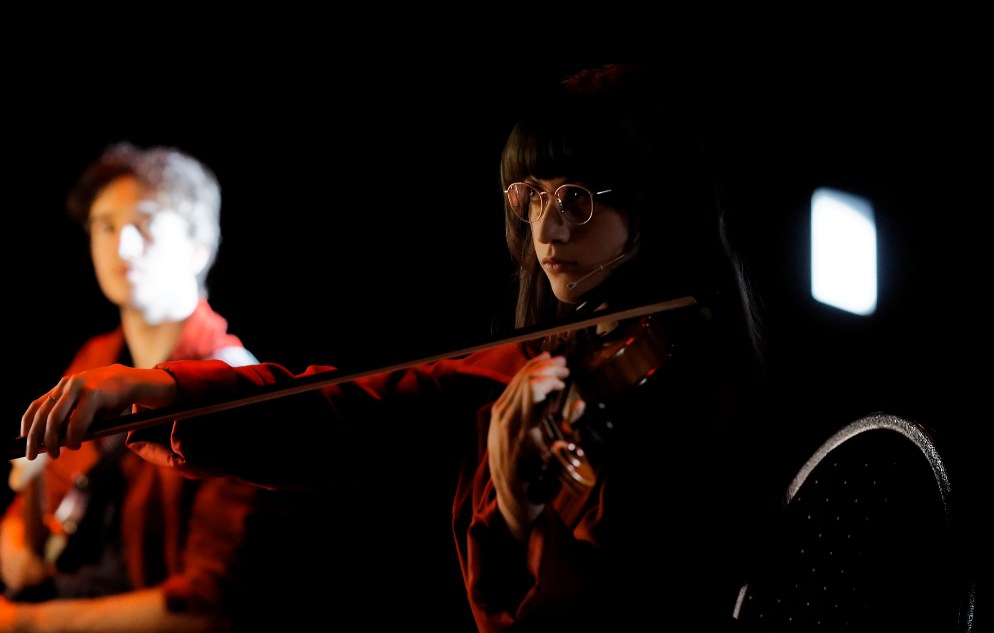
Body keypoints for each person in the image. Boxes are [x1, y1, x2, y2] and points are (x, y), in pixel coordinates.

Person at [19, 65, 782, 631]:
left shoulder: (688, 395)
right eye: (532, 197)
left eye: (577, 199)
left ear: (652, 204)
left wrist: (518, 517)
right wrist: (161, 390)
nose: (546, 232)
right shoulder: (544, 364)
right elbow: (350, 410)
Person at [1, 143, 344, 631]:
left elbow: (211, 604)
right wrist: (15, 541)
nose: (121, 246)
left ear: (198, 246)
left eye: (144, 223)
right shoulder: (96, 358)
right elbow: (41, 491)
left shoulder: (232, 381)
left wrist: (29, 624)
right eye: (105, 226)